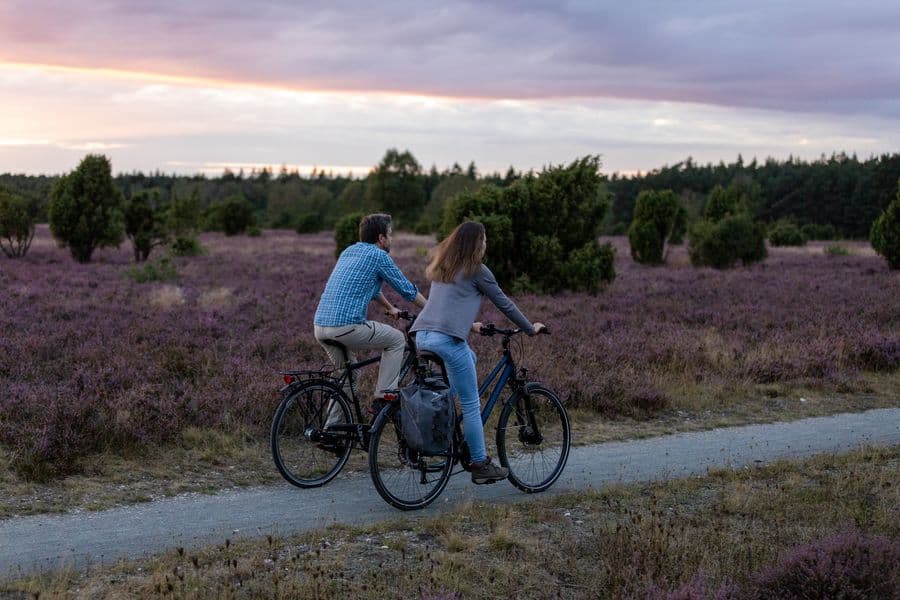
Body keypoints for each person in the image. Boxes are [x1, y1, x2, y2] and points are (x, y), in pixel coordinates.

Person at [410, 221, 545, 484]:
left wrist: (471, 326)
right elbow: (504, 302)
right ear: (476, 243)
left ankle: (443, 415)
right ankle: (481, 464)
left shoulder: (443, 266)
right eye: (483, 240)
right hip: (447, 340)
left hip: (422, 336)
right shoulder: (478, 270)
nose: (485, 244)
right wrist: (530, 329)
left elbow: (444, 307)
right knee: (472, 404)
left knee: (469, 358)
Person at [314, 213, 427, 418]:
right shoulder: (379, 256)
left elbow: (371, 289)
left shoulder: (349, 251)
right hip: (346, 327)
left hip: (321, 327)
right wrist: (431, 310)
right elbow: (407, 290)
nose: (391, 239)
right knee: (396, 339)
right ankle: (384, 397)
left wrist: (390, 307)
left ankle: (332, 431)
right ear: (381, 238)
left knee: (347, 378)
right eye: (390, 235)